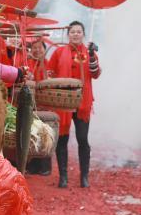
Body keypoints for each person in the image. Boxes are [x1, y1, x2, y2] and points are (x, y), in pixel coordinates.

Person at [46, 21, 101, 189]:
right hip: (63, 102)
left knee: (82, 139)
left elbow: (96, 73)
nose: (75, 34)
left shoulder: (89, 52)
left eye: (78, 31)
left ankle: (84, 177)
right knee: (62, 140)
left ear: (83, 34)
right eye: (72, 32)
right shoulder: (58, 51)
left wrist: (92, 55)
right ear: (68, 34)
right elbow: (50, 73)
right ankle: (63, 177)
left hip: (82, 103)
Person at [25, 38, 52, 176]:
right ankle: (34, 165)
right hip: (33, 103)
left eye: (39, 47)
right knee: (34, 133)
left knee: (47, 133)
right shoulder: (28, 64)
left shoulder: (49, 64)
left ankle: (46, 165)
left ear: (44, 49)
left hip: (47, 104)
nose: (37, 50)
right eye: (34, 47)